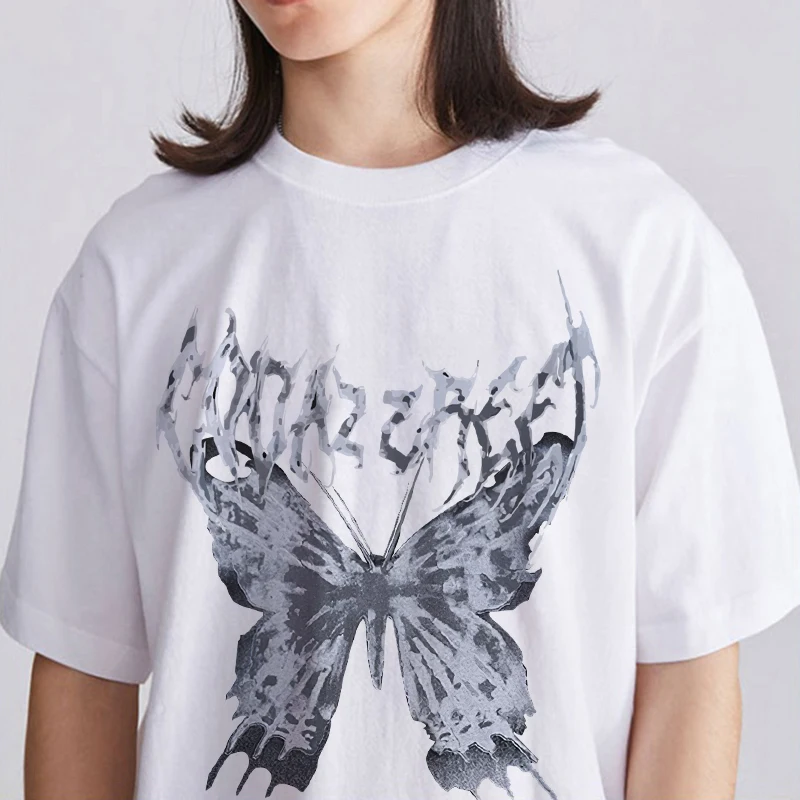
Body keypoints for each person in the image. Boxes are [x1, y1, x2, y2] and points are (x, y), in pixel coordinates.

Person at [1, 1, 799, 798]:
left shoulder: (641, 245)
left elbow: (689, 671)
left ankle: (475, 741)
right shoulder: (133, 266)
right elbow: (83, 669)